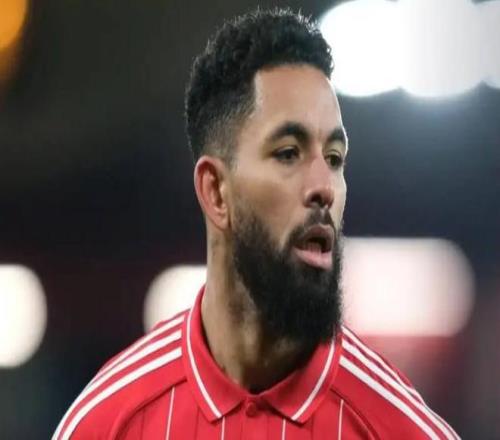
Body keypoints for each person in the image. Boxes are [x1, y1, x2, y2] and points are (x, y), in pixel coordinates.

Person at [53, 8, 459, 440]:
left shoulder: (401, 429)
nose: (324, 187)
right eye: (288, 153)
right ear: (216, 191)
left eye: (334, 158)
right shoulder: (107, 424)